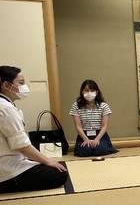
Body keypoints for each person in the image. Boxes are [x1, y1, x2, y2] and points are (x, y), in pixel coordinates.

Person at [0, 65, 68, 193]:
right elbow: (23, 147)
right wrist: (48, 161)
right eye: (21, 83)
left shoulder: (5, 105)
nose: (24, 87)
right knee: (60, 174)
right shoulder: (5, 108)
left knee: (56, 165)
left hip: (10, 160)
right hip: (7, 167)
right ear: (7, 85)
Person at [69, 79, 118, 157]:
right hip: (83, 135)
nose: (89, 93)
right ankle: (89, 148)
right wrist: (86, 139)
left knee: (100, 149)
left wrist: (97, 139)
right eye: (86, 90)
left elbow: (104, 126)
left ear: (97, 92)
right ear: (82, 91)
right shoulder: (76, 106)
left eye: (92, 90)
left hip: (100, 135)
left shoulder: (104, 106)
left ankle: (97, 147)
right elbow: (78, 126)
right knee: (85, 151)